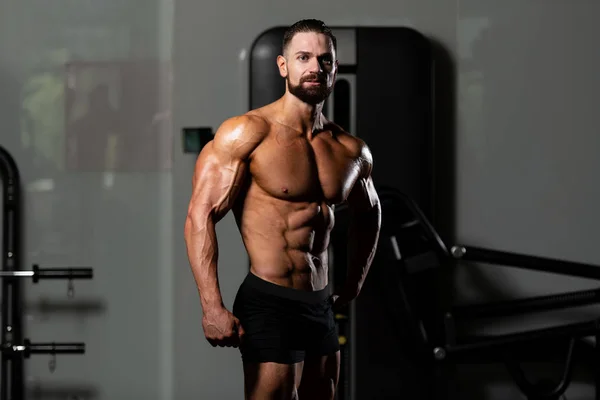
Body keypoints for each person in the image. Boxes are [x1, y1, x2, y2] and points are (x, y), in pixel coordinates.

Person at [184, 19, 381, 400]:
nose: (315, 67)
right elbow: (200, 215)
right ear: (283, 66)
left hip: (319, 301)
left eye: (324, 59)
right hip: (269, 300)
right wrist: (212, 306)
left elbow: (369, 213)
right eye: (303, 57)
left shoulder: (350, 149)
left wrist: (354, 281)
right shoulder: (247, 133)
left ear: (335, 68)